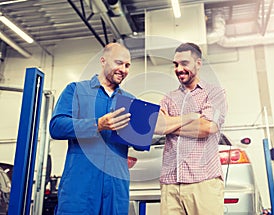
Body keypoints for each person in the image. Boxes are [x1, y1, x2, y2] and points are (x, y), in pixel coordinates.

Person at [49, 42, 135, 215]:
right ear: (103, 61)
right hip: (81, 185)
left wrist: (148, 128)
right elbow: (57, 126)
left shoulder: (130, 101)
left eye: (127, 66)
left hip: (116, 188)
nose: (123, 69)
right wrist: (97, 125)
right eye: (119, 63)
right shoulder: (76, 90)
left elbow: (139, 142)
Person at [156, 42, 227, 215]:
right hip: (170, 184)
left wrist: (170, 125)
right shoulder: (168, 98)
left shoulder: (215, 93)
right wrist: (190, 118)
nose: (179, 68)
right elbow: (157, 126)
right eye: (175, 64)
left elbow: (207, 127)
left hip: (203, 182)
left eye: (184, 63)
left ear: (198, 64)